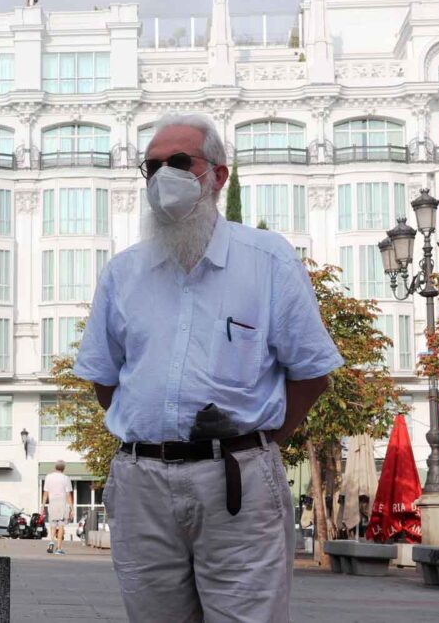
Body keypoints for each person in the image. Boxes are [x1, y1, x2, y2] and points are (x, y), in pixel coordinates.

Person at [73, 113, 342, 622]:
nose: (163, 177)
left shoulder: (267, 261)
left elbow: (312, 373)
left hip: (237, 480)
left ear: (218, 175)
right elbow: (105, 380)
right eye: (151, 167)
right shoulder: (123, 273)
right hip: (142, 482)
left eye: (179, 162)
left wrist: (260, 443)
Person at [43, 461, 74, 555]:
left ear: (55, 467)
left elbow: (45, 493)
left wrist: (43, 506)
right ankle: (58, 548)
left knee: (53, 524)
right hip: (62, 503)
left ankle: (51, 541)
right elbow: (68, 494)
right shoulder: (66, 478)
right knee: (61, 526)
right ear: (63, 468)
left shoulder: (48, 477)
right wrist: (72, 508)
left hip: (52, 502)